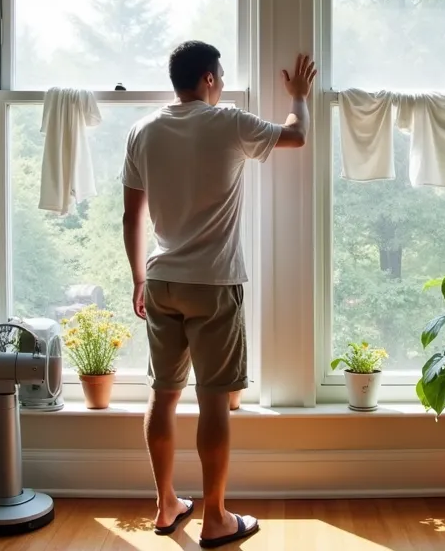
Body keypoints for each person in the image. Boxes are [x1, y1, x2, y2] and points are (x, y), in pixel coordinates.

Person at [121, 41, 315, 547]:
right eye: (221, 75)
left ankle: (166, 507)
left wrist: (139, 278)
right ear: (208, 79)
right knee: (212, 403)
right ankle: (216, 519)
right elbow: (296, 137)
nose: (224, 83)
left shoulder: (143, 130)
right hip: (213, 281)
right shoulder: (227, 121)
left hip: (161, 280)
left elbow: (131, 216)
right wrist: (298, 95)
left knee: (162, 396)